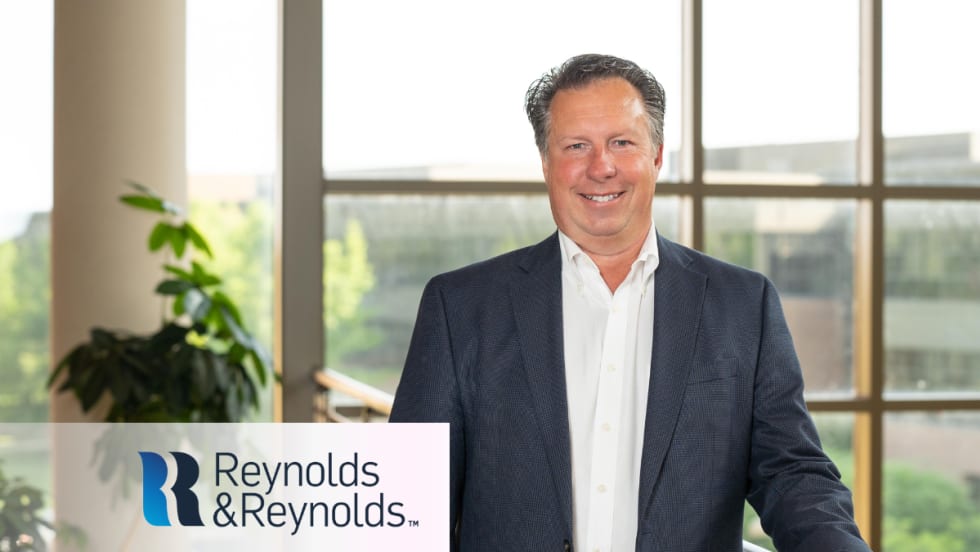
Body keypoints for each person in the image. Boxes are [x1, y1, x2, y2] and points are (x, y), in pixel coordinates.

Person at [389, 53, 870, 552]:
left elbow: (793, 474)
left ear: (657, 156)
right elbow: (410, 505)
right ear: (546, 162)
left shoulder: (743, 305)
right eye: (577, 145)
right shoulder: (459, 308)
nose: (602, 167)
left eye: (622, 142)